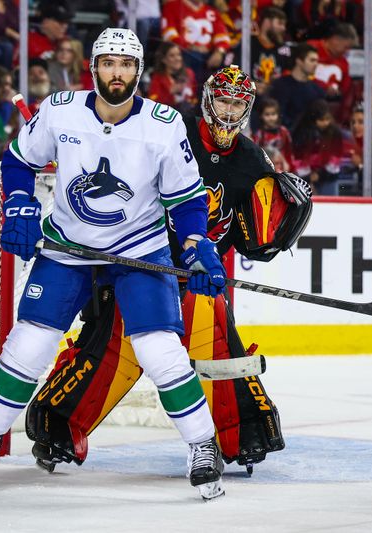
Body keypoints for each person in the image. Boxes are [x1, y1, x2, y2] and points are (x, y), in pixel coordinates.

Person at [0, 28, 229, 500]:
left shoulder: (164, 125)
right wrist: (20, 201)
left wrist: (195, 245)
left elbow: (187, 200)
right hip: (68, 245)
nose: (117, 72)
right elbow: (19, 161)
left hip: (138, 249)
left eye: (126, 65)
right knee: (29, 343)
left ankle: (203, 446)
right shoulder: (60, 110)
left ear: (138, 71)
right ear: (94, 67)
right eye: (109, 63)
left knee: (160, 351)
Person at [22, 64, 312, 483]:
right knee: (114, 346)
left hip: (199, 277)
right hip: (139, 264)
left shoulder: (253, 160)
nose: (229, 112)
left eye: (238, 103)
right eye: (223, 100)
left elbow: (254, 241)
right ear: (207, 99)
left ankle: (238, 434)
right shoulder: (174, 130)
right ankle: (60, 426)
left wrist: (282, 221)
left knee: (214, 341)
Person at [267, 42, 326, 130]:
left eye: (317, 61)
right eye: (312, 60)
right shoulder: (280, 85)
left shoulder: (317, 90)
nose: (316, 64)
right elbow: (278, 116)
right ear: (299, 61)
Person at [146, 42, 198, 112]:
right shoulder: (157, 77)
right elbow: (152, 103)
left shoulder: (189, 73)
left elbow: (195, 98)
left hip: (190, 114)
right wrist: (170, 93)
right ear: (163, 59)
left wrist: (191, 101)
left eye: (179, 54)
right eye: (172, 55)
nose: (177, 58)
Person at [252, 97, 295, 172]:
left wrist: (290, 166)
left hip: (283, 169)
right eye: (267, 114)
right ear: (261, 116)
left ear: (278, 115)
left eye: (273, 114)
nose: (271, 118)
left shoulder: (283, 131)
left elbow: (289, 151)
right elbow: (256, 154)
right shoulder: (259, 135)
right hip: (266, 169)